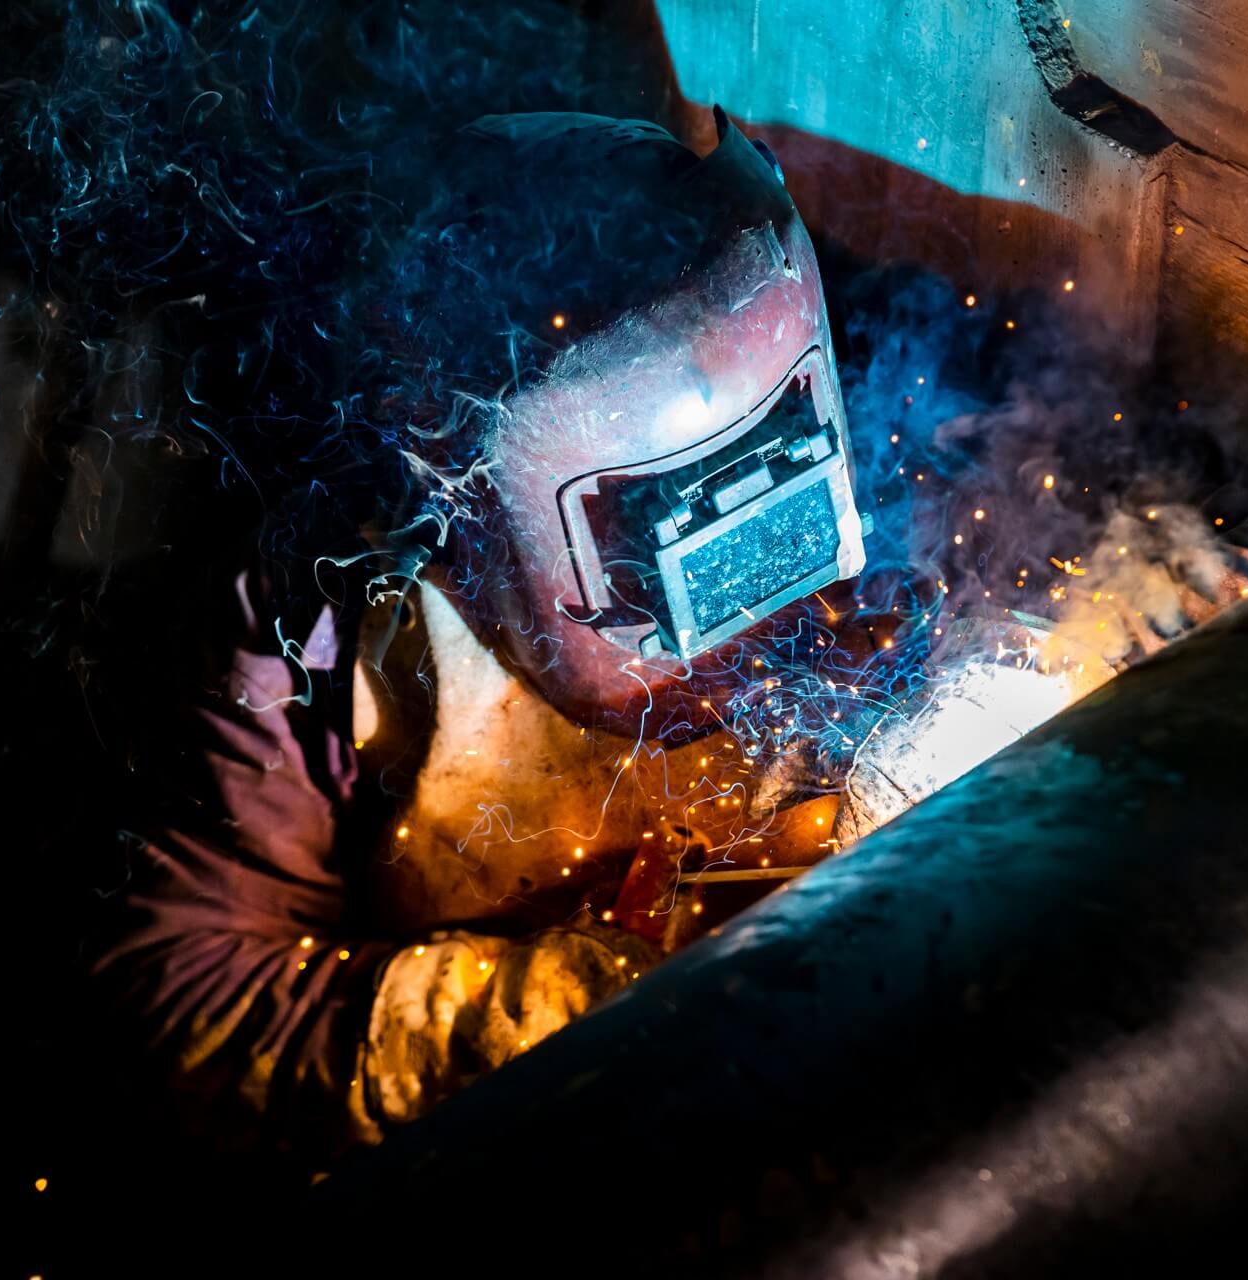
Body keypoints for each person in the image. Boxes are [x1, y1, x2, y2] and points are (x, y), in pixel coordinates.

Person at [89, 109, 879, 1159]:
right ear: (462, 494)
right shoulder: (312, 626)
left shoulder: (890, 379)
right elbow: (182, 994)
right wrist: (527, 1015)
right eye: (650, 520)